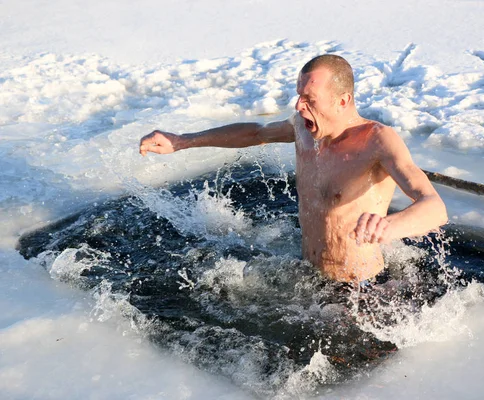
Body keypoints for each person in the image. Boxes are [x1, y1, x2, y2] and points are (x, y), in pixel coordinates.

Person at [139, 54, 447, 284]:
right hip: (306, 277)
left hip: (359, 287)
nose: (299, 106)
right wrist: (183, 141)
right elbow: (256, 133)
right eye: (299, 96)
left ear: (343, 101)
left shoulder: (377, 141)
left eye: (310, 99)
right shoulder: (302, 126)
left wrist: (390, 226)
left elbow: (434, 207)